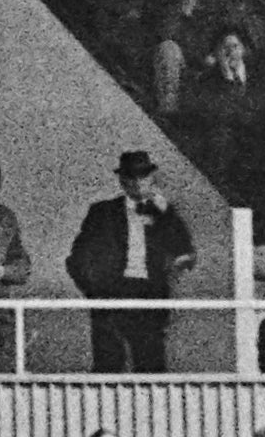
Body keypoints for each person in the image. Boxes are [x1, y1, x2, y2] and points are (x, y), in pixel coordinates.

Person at [65, 146, 194, 374]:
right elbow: (77, 259)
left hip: (149, 296)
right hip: (111, 295)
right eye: (131, 177)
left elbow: (185, 251)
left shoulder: (163, 213)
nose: (137, 182)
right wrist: (95, 292)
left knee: (151, 368)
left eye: (143, 176)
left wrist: (165, 218)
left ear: (152, 178)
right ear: (122, 181)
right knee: (108, 366)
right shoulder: (102, 212)